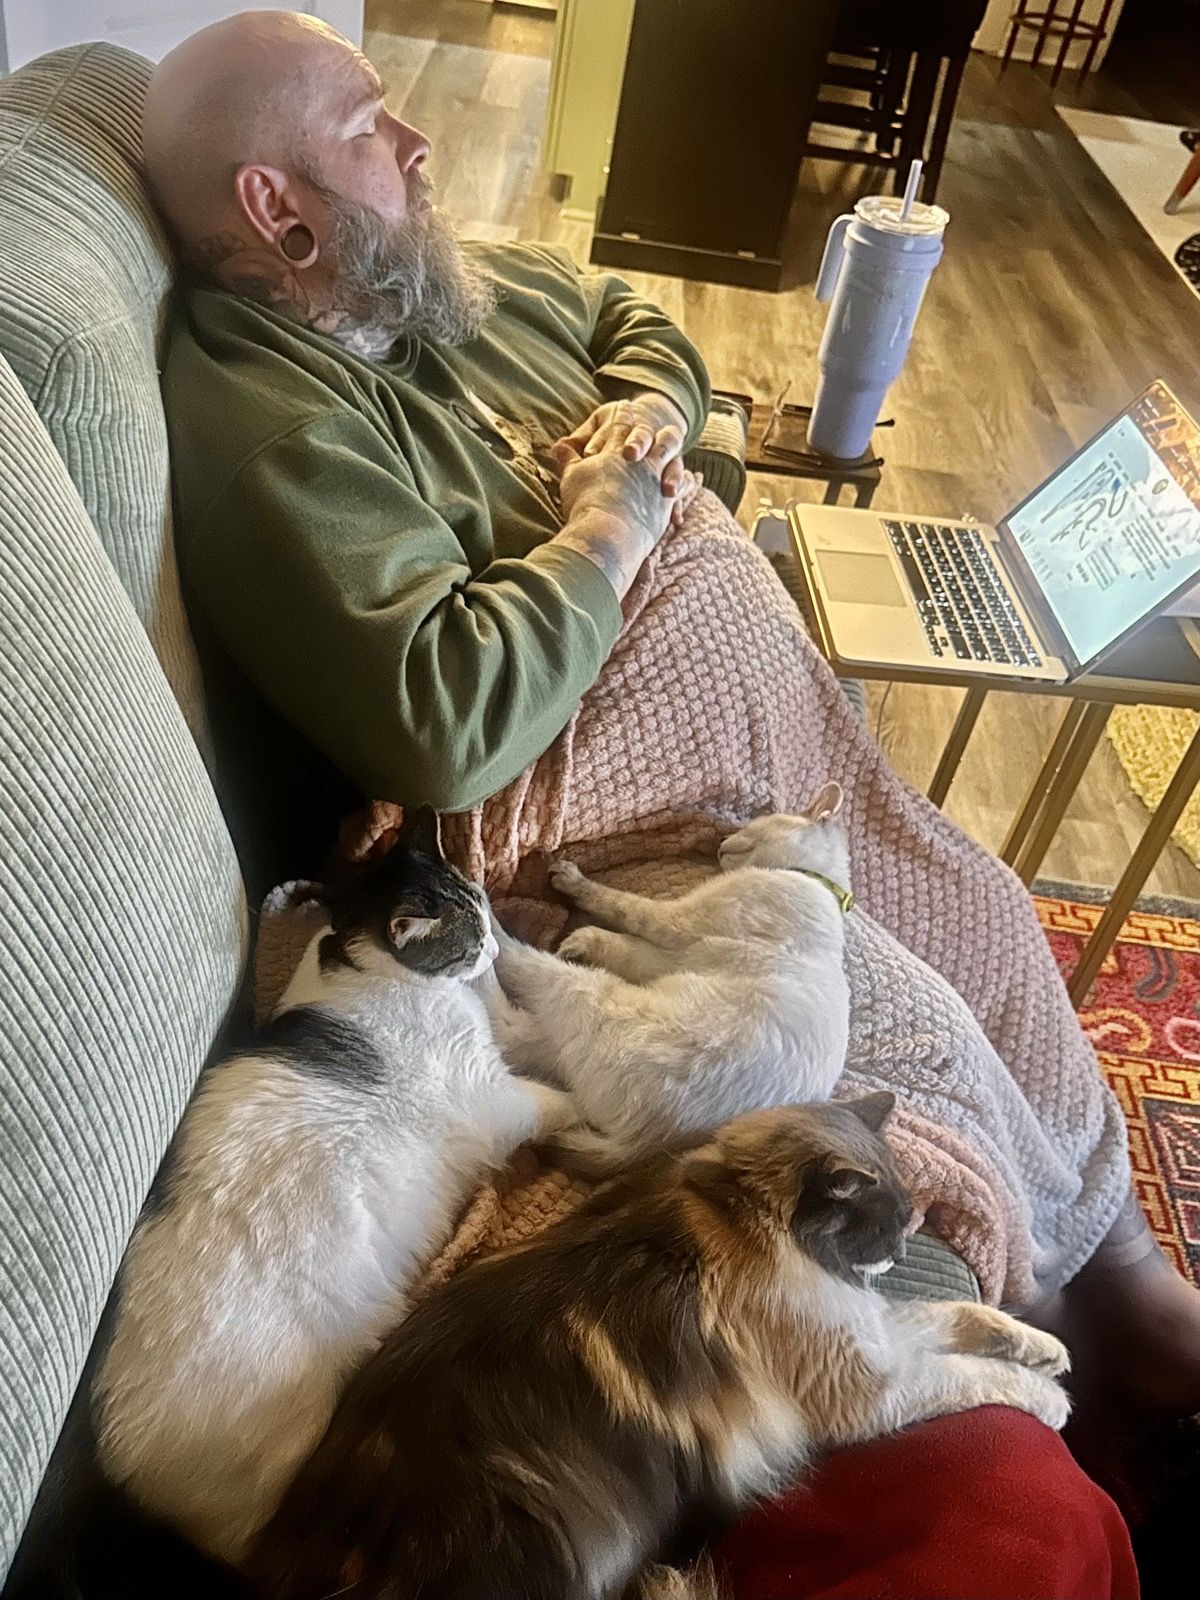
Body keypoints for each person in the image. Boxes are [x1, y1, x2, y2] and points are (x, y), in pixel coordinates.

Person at [142, 5, 1198, 1558]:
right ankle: (1103, 1338)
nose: (422, 145)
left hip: (752, 753)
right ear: (275, 210)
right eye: (373, 129)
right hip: (602, 826)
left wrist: (652, 415)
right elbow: (441, 724)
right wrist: (615, 531)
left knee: (969, 899)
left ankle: (1127, 1306)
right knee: (876, 1010)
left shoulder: (440, 281)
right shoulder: (263, 411)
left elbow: (637, 324)